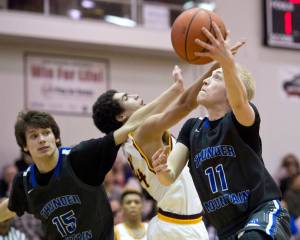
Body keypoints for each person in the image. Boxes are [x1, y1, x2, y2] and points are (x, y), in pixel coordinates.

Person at [93, 40, 245, 240]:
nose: (136, 95)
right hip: (177, 228)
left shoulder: (133, 139)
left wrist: (217, 65)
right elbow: (186, 104)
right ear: (121, 117)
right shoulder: (143, 132)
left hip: (176, 223)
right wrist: (218, 64)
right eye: (127, 97)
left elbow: (184, 101)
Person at [152, 22, 291, 240]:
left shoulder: (241, 118)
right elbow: (169, 176)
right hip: (226, 228)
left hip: (261, 212)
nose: (206, 80)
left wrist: (227, 62)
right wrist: (161, 170)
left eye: (216, 77)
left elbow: (239, 102)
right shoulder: (192, 128)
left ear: (232, 89)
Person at [0, 85, 181, 240]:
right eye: (34, 136)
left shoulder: (81, 156)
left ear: (55, 137)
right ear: (24, 146)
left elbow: (129, 126)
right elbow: (10, 208)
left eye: (46, 133)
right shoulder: (24, 183)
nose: (41, 139)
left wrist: (174, 92)